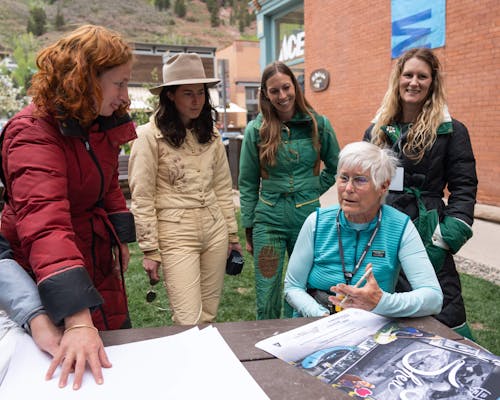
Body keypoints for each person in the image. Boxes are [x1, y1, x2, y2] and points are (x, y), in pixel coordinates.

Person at [0, 25, 137, 389]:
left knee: (108, 360)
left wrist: (119, 235)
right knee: (58, 366)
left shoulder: (95, 122)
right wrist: (76, 319)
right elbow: (46, 226)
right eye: (119, 83)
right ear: (86, 80)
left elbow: (107, 181)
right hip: (47, 270)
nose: (125, 96)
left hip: (92, 249)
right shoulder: (32, 132)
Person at [363, 48, 477, 338]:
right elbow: (364, 182)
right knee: (383, 315)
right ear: (398, 79)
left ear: (432, 83)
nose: (414, 82)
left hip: (429, 231)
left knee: (441, 312)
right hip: (383, 231)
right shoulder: (376, 130)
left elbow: (464, 188)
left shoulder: (452, 131)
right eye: (408, 74)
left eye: (422, 76)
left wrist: (445, 238)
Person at [129, 53, 242, 325]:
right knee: (188, 319)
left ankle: (206, 367)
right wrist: (149, 249)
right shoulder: (148, 136)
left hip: (214, 228)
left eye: (201, 93)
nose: (196, 100)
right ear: (170, 95)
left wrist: (232, 234)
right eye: (187, 93)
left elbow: (223, 187)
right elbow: (141, 196)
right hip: (175, 232)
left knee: (209, 315)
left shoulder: (211, 134)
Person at [284, 141, 443, 318]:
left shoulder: (400, 227)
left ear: (383, 186)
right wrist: (320, 315)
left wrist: (381, 302)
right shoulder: (317, 222)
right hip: (315, 321)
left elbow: (433, 298)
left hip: (371, 324)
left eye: (360, 180)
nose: (348, 189)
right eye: (344, 178)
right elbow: (292, 287)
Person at [239, 61, 340, 320]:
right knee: (267, 289)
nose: (282, 96)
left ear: (295, 86)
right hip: (268, 221)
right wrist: (249, 227)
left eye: (286, 87)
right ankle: (267, 343)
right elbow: (248, 183)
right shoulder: (256, 130)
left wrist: (312, 188)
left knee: (304, 288)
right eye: (274, 91)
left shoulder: (319, 123)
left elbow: (336, 163)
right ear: (265, 93)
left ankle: (298, 342)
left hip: (308, 218)